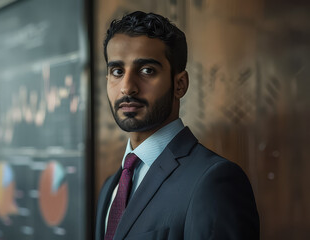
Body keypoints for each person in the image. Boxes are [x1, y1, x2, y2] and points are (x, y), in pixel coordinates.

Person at [95, 11, 259, 240]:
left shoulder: (213, 181)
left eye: (146, 70)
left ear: (180, 84)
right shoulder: (110, 188)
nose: (127, 87)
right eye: (117, 71)